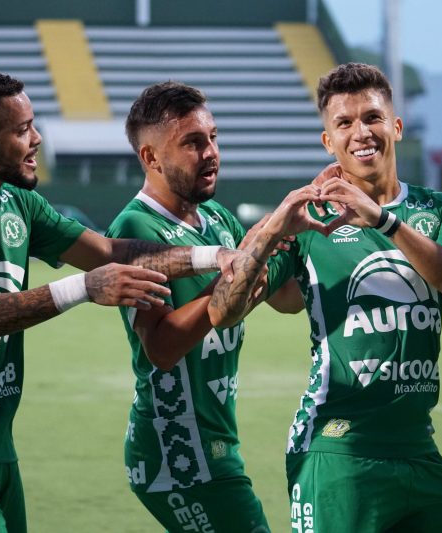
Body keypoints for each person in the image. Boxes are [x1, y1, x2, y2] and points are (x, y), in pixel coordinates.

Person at [0, 71, 235, 533]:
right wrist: (82, 288)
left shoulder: (17, 203)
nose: (36, 139)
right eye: (21, 130)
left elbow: (111, 251)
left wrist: (214, 256)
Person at [208, 63, 442, 532]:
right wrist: (276, 224)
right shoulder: (310, 222)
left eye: (372, 117)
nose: (361, 132)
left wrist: (382, 219)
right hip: (337, 449)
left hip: (419, 448)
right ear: (328, 142)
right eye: (344, 123)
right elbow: (225, 309)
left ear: (395, 127)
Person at [105, 81, 322, 533]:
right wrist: (246, 260)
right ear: (150, 158)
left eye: (213, 138)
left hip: (216, 442)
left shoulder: (217, 219)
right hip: (175, 453)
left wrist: (297, 242)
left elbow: (283, 300)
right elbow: (161, 348)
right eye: (192, 143)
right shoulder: (134, 226)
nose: (210, 153)